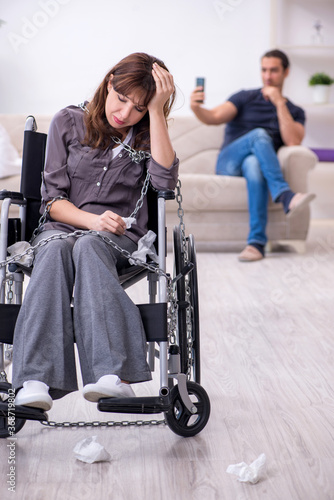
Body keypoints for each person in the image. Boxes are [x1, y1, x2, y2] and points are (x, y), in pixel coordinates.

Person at [13, 52, 179, 411]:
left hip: (119, 241)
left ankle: (112, 375)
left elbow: (166, 180)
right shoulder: (68, 121)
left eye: (138, 107)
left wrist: (156, 111)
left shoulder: (148, 134)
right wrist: (91, 220)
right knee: (58, 249)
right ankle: (34, 380)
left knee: (89, 246)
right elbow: (52, 201)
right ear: (108, 84)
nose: (124, 113)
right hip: (61, 229)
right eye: (121, 99)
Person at [190, 49, 315, 262]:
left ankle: (256, 244)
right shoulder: (245, 97)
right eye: (264, 70)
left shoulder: (294, 111)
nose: (267, 76)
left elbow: (293, 141)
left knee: (255, 164)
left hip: (253, 166)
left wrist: (279, 103)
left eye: (274, 70)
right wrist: (196, 107)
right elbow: (213, 117)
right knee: (259, 135)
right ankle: (285, 195)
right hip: (229, 163)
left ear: (286, 72)